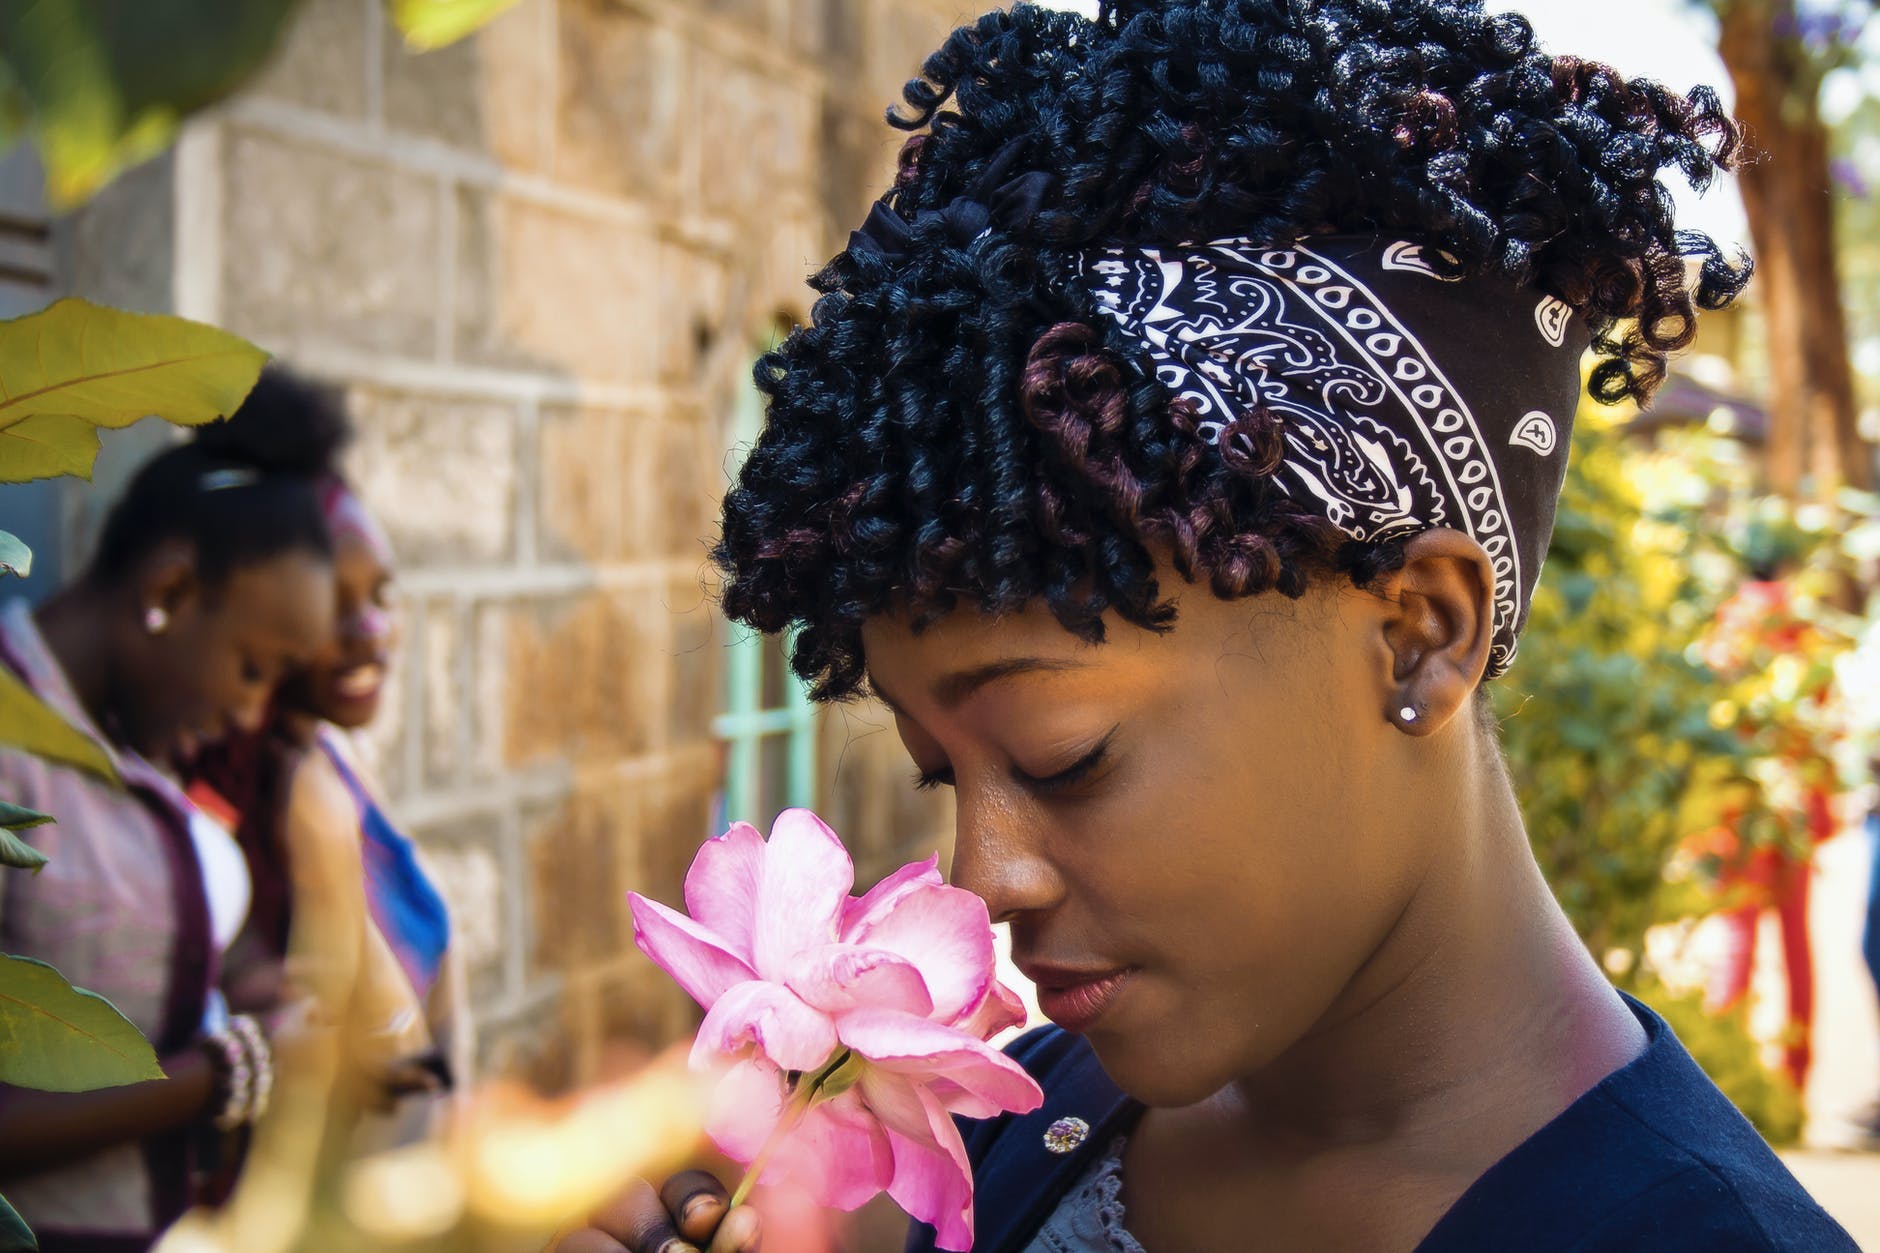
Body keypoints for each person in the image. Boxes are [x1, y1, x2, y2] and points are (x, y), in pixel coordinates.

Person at [561, 1, 1857, 1250]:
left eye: (1065, 753)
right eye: (942, 770)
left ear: (1420, 636)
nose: (981, 874)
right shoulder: (1037, 1127)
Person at [0, 385, 337, 1251]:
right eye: (254, 667)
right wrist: (223, 1070)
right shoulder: (11, 743)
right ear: (171, 590)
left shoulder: (132, 744)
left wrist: (232, 991)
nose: (250, 711)